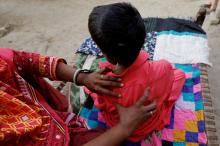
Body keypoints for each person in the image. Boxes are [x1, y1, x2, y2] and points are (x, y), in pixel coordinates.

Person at [0, 48, 156, 146]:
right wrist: (123, 128)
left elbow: (25, 60)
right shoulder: (162, 69)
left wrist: (81, 77)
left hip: (55, 120)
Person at [86, 2, 185, 142]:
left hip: (120, 126)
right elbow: (166, 90)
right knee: (179, 74)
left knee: (92, 89)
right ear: (143, 36)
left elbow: (102, 106)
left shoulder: (105, 81)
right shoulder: (163, 67)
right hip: (151, 121)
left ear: (107, 54)